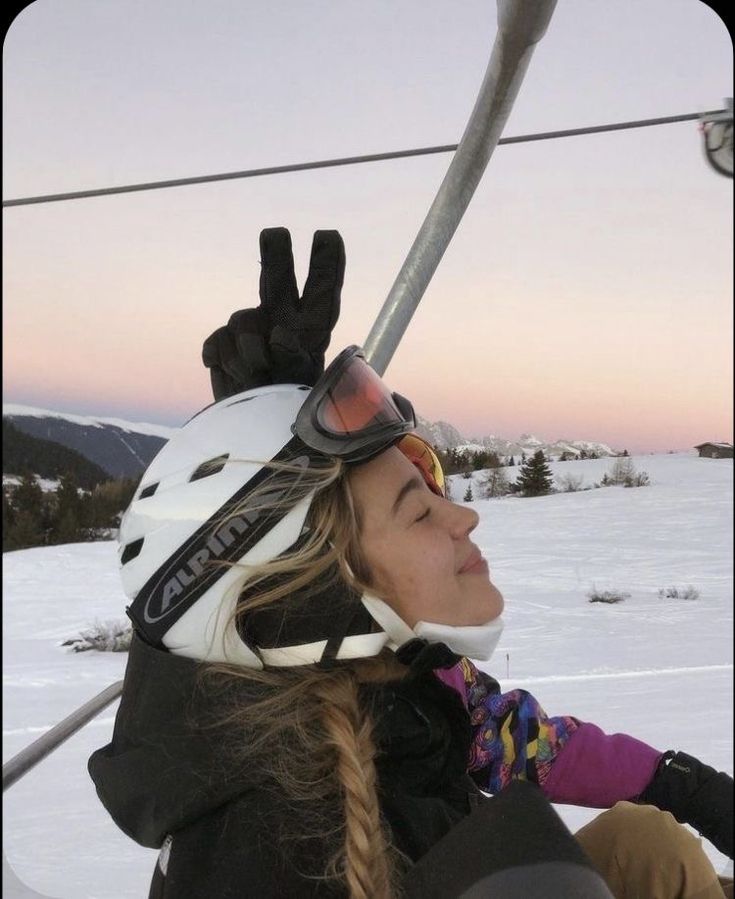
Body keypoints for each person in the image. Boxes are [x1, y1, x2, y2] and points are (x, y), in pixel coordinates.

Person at [89, 229, 733, 899]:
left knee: (644, 842)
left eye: (434, 485)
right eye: (418, 509)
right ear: (320, 593)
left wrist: (677, 783)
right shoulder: (277, 852)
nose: (463, 516)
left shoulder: (399, 687)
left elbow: (519, 739)